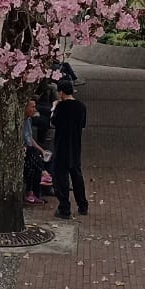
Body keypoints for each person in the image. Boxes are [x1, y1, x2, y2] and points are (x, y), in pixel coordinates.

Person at [50, 81, 88, 219]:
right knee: (76, 175)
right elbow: (82, 124)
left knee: (61, 177)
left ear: (61, 92)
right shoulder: (81, 107)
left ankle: (64, 208)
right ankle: (82, 205)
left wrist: (54, 108)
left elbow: (53, 123)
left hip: (61, 145)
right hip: (75, 145)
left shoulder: (61, 107)